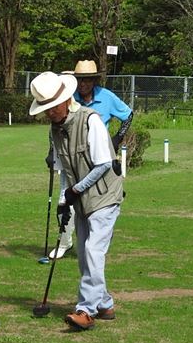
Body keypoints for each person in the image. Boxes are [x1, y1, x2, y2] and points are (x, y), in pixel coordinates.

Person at [30, 71, 123, 331]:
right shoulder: (55, 130)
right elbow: (65, 171)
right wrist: (65, 201)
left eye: (51, 107)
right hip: (81, 199)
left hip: (105, 197)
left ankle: (86, 310)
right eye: (45, 109)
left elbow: (104, 164)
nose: (48, 113)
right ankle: (105, 303)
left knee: (93, 251)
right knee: (84, 256)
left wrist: (77, 189)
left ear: (65, 99)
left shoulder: (89, 121)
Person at [47, 60, 133, 259]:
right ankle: (64, 242)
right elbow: (56, 127)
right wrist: (52, 151)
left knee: (96, 204)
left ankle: (93, 245)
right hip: (70, 158)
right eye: (80, 80)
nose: (83, 84)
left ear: (94, 80)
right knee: (64, 199)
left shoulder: (107, 97)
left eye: (87, 80)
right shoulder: (69, 98)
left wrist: (117, 138)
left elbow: (128, 115)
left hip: (96, 160)